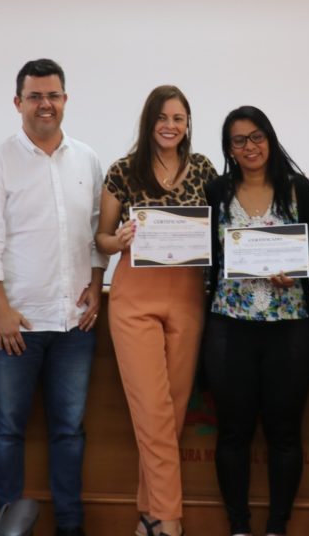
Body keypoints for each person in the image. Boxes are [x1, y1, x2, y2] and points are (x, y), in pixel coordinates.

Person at [0, 58, 105, 536]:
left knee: (69, 432)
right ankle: (11, 528)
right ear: (18, 102)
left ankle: (70, 526)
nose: (45, 104)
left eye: (53, 95)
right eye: (35, 96)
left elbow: (94, 234)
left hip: (73, 324)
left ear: (65, 99)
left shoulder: (86, 158)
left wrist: (98, 287)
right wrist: (0, 310)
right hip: (15, 324)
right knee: (8, 431)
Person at [96, 84, 217, 536]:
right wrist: (119, 239)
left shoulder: (204, 168)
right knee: (151, 410)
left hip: (188, 295)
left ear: (188, 124)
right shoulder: (124, 170)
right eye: (163, 118)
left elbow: (218, 228)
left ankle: (147, 515)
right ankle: (171, 521)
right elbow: (101, 240)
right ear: (149, 122)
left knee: (173, 410)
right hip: (135, 297)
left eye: (179, 118)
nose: (171, 126)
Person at [203, 106, 309, 536]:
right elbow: (204, 255)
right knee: (232, 433)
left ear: (269, 139)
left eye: (257, 137)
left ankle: (276, 526)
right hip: (228, 326)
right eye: (239, 141)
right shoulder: (215, 191)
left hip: (287, 326)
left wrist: (296, 267)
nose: (250, 147)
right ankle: (238, 525)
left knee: (285, 433)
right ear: (229, 149)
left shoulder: (298, 188)